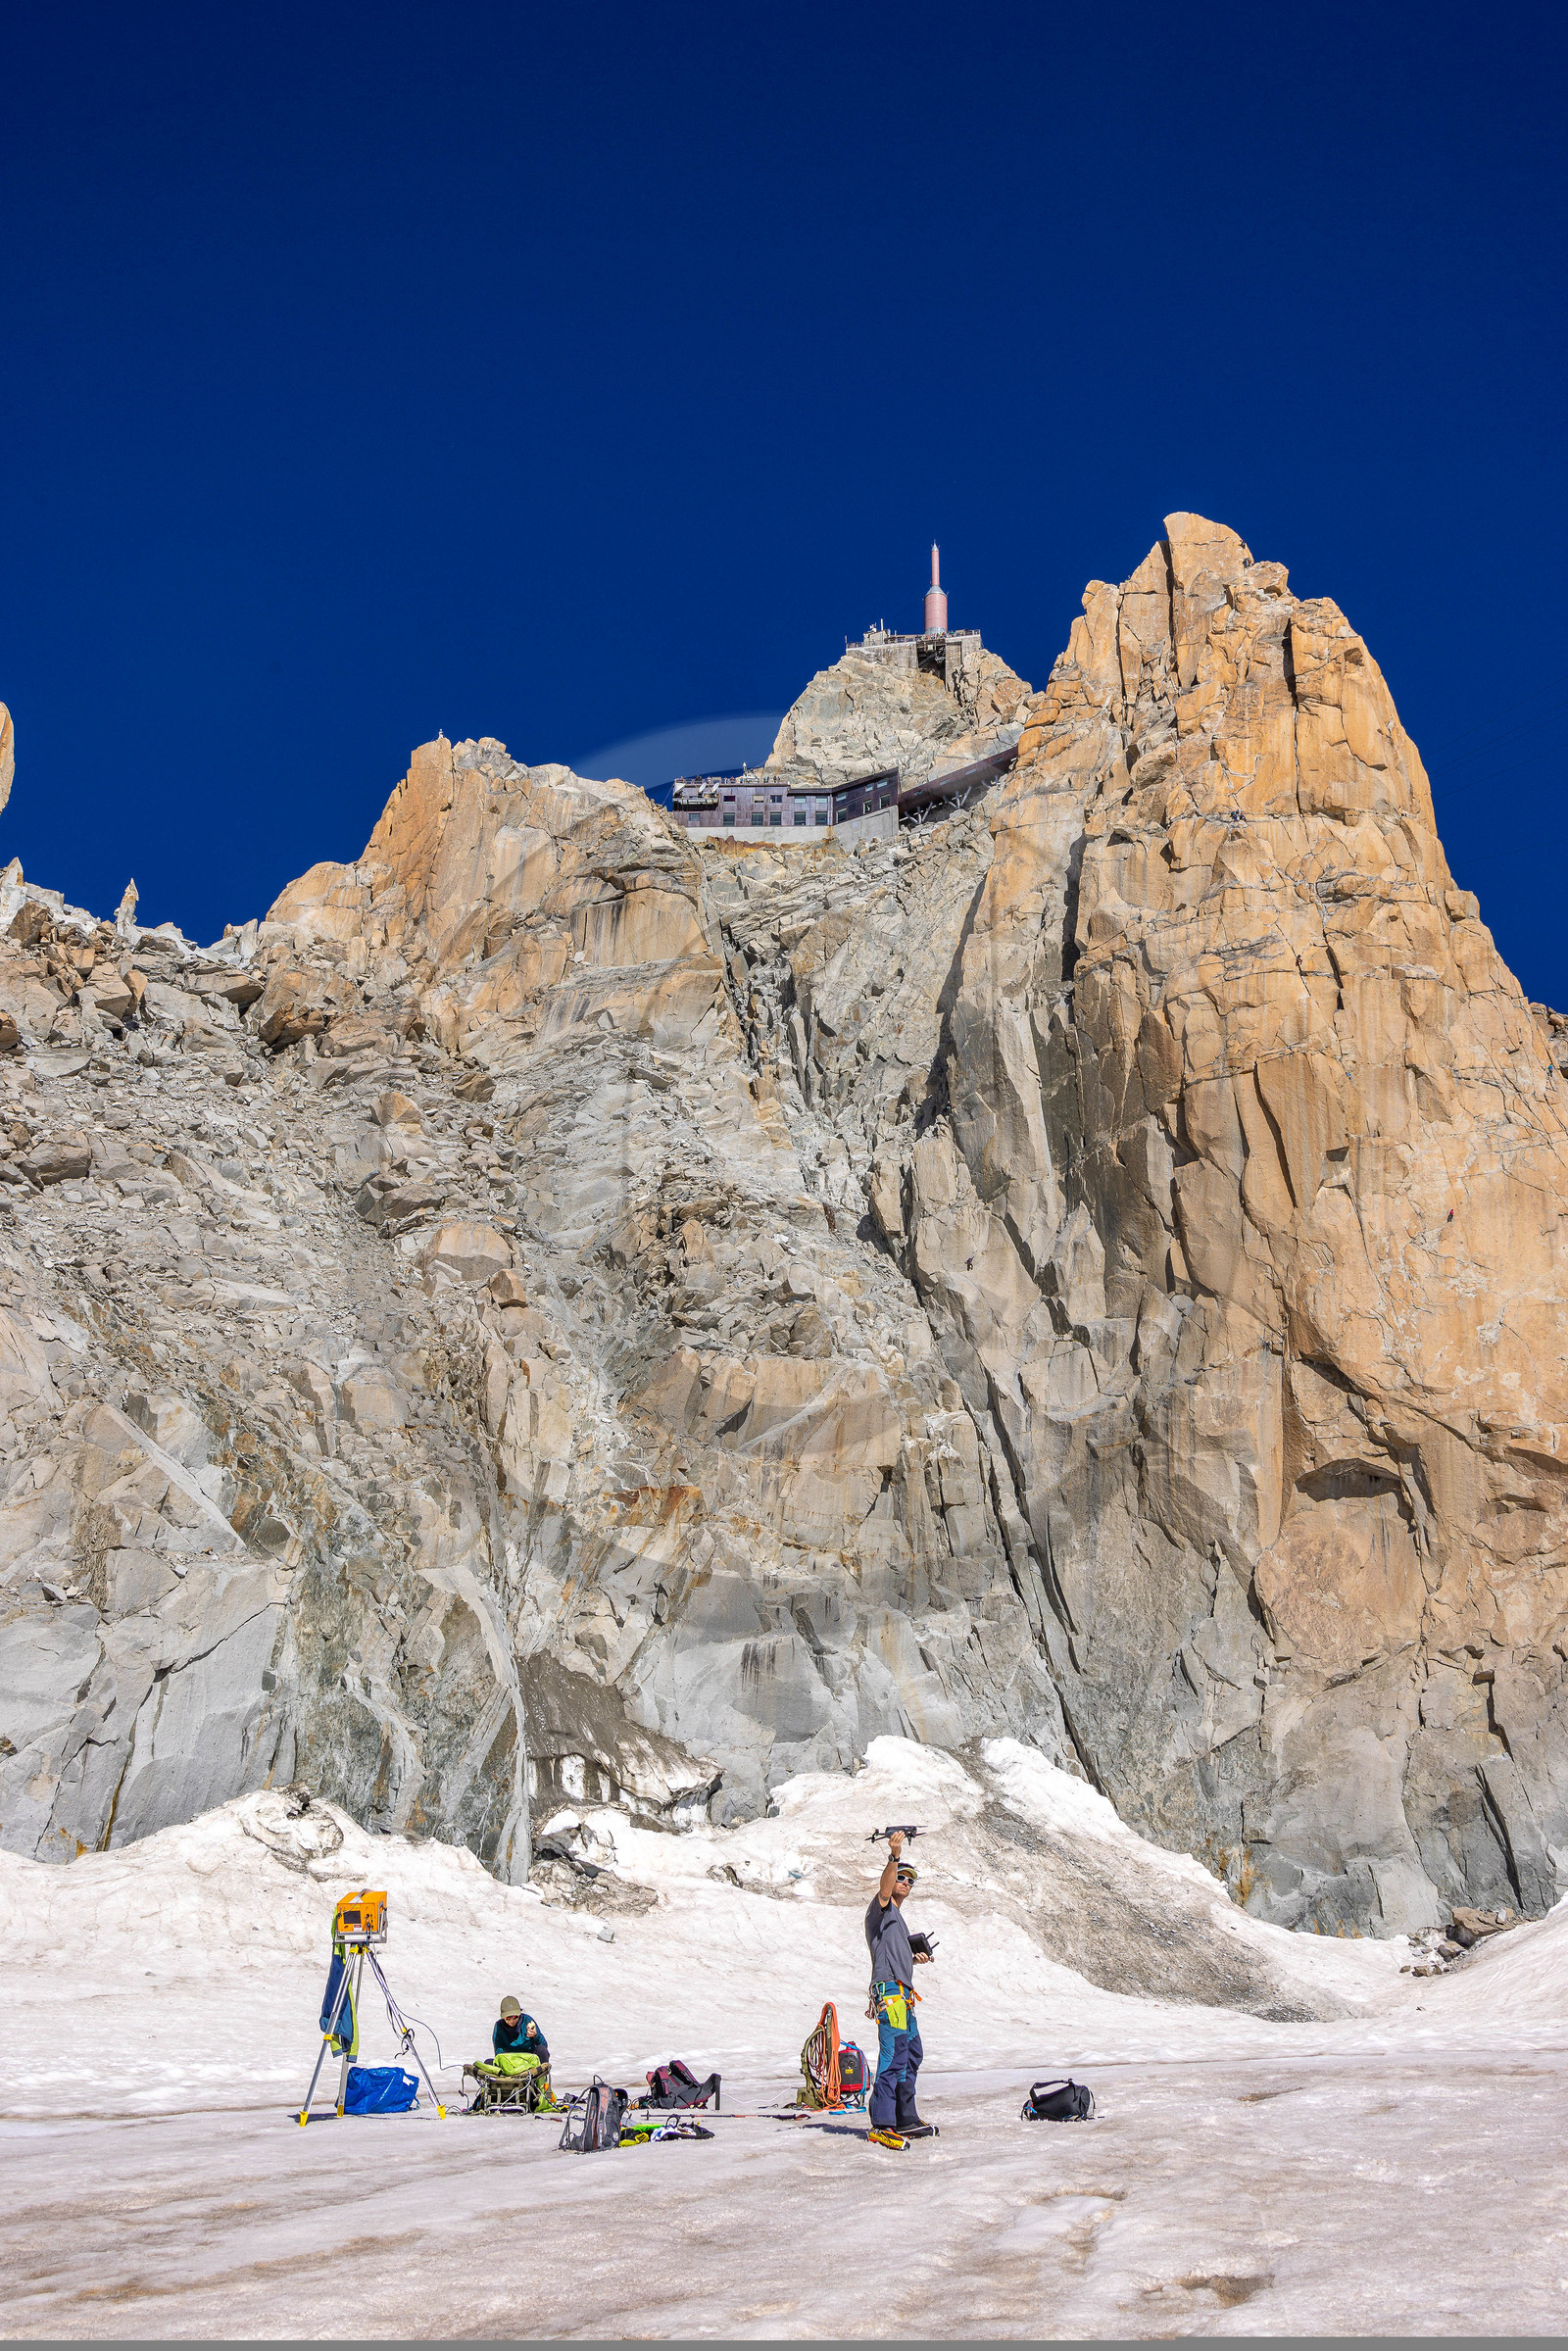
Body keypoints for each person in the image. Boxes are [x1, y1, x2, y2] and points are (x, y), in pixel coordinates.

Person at [864, 1830, 931, 2132]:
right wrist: (894, 1857)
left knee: (911, 2053)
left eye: (910, 1881)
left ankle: (905, 2117)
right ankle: (882, 2121)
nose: (906, 1882)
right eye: (902, 1878)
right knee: (893, 2054)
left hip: (904, 1995)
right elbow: (884, 1888)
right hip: (889, 1993)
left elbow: (894, 1954)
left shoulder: (899, 1923)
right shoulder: (881, 1910)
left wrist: (914, 1958)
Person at [493, 1995, 549, 2063]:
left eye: (515, 2017)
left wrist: (535, 2036)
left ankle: (541, 2072)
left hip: (530, 2059)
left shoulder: (527, 2021)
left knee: (541, 2049)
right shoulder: (499, 2026)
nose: (512, 2020)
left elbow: (543, 2045)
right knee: (488, 2063)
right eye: (508, 2018)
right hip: (510, 2061)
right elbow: (498, 2049)